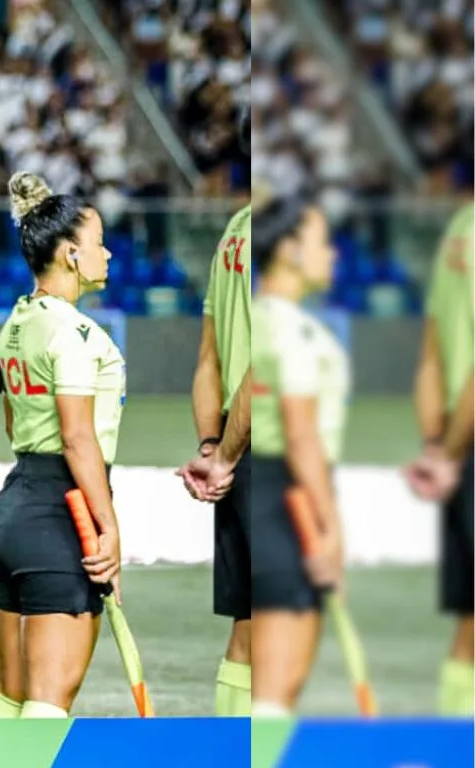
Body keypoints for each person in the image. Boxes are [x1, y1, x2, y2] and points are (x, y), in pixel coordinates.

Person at [0, 173, 123, 719]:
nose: (108, 253)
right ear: (69, 254)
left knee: (9, 700)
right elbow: (77, 436)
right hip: (61, 515)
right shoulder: (74, 332)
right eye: (98, 243)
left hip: (13, 510)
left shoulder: (17, 321)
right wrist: (108, 526)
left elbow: (12, 419)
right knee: (47, 706)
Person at [246, 196, 344, 716]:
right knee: (277, 694)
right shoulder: (294, 331)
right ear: (287, 251)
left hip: (259, 495)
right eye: (321, 242)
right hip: (292, 500)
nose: (333, 254)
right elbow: (302, 435)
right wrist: (330, 529)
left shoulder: (254, 321)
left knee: (268, 689)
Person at [176, 185, 254, 717]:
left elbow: (210, 359)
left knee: (249, 624)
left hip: (239, 443)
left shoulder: (235, 231)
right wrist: (225, 453)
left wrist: (213, 444)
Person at [403, 200, 474, 715]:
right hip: (462, 443)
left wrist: (438, 447)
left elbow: (432, 351)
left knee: (468, 627)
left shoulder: (460, 225)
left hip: (459, 443)